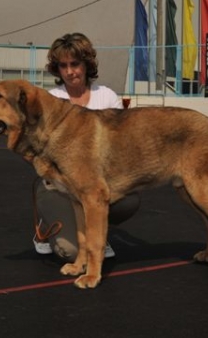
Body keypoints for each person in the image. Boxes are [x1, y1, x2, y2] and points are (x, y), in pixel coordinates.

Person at [32, 32, 140, 261]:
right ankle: (45, 226)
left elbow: (121, 144)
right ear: (57, 69)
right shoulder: (51, 99)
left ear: (86, 64)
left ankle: (96, 234)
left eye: (75, 64)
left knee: (130, 200)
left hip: (97, 181)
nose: (70, 71)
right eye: (63, 65)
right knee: (70, 252)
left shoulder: (107, 96)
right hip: (58, 185)